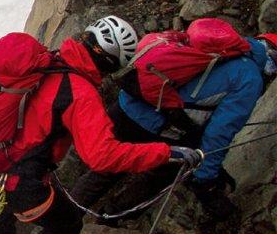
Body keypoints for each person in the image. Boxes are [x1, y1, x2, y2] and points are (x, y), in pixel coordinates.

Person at [0, 16, 199, 234]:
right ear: (110, 63)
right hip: (24, 180)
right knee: (66, 227)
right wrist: (166, 153)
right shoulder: (81, 93)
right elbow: (102, 156)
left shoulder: (46, 62)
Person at [72, 25, 277, 220]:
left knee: (105, 168)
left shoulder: (222, 46)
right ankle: (113, 216)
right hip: (156, 123)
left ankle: (64, 216)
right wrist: (206, 179)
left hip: (128, 101)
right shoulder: (250, 79)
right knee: (165, 172)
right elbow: (220, 132)